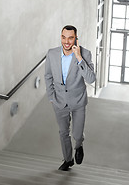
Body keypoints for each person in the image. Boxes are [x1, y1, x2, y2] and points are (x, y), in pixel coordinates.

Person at [44, 25, 96, 171]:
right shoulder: (52, 53)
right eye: (64, 37)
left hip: (78, 101)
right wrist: (51, 97)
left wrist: (79, 57)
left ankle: (79, 146)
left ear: (76, 38)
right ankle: (68, 160)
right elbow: (48, 76)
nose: (66, 41)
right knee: (63, 133)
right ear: (61, 37)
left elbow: (91, 79)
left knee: (77, 134)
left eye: (70, 38)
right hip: (59, 101)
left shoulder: (85, 54)